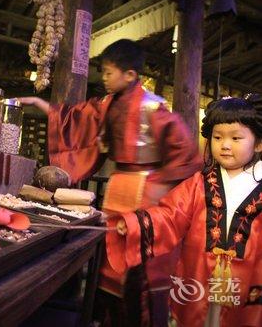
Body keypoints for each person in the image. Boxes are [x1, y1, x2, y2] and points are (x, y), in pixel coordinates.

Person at [17, 39, 202, 326]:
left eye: (108, 72)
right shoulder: (105, 104)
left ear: (130, 75)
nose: (103, 78)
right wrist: (43, 105)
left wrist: (160, 183)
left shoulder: (155, 108)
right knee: (107, 266)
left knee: (136, 266)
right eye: (102, 72)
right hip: (118, 189)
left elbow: (187, 156)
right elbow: (75, 118)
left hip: (147, 194)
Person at [111, 94, 262, 326]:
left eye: (236, 138)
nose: (225, 145)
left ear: (259, 143)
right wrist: (136, 224)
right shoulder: (198, 183)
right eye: (218, 137)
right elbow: (170, 215)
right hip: (198, 278)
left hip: (249, 281)